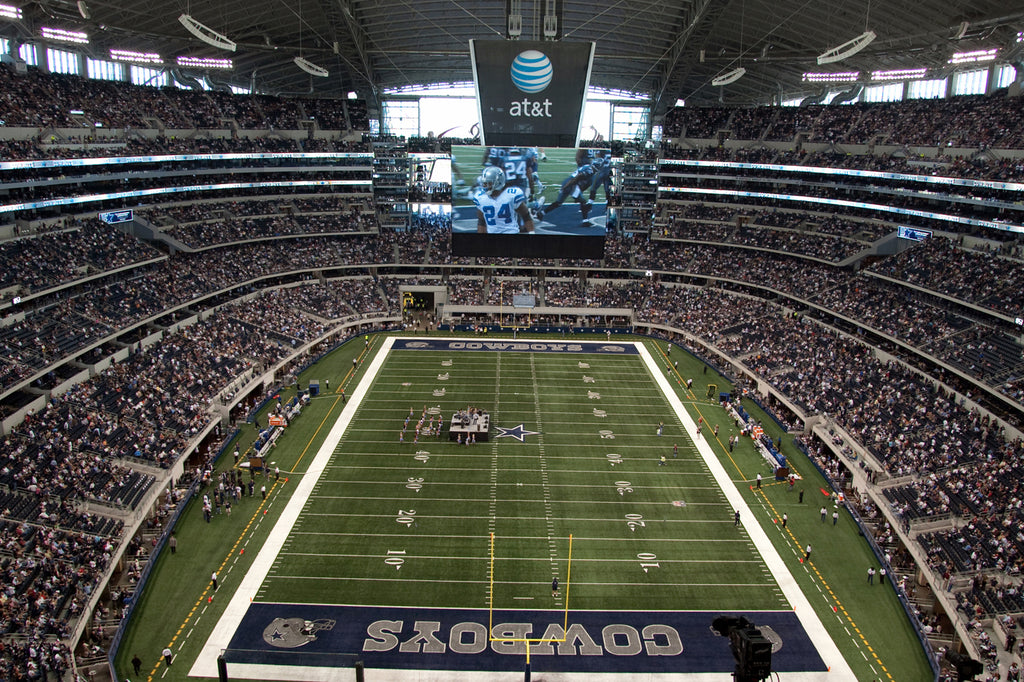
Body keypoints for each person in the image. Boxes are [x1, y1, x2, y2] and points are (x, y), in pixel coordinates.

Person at [474, 166, 535, 234]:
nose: (486, 186)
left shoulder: (511, 195)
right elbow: (481, 221)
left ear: (499, 182)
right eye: (484, 183)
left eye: (489, 183)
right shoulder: (481, 198)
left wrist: (531, 232)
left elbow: (526, 215)